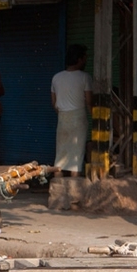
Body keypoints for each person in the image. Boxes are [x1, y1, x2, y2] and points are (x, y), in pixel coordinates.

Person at [51, 44, 93, 177]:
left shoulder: (56, 77)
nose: (85, 61)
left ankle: (58, 192)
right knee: (76, 159)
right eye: (85, 58)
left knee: (60, 159)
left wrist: (64, 114)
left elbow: (54, 103)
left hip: (63, 119)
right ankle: (73, 192)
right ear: (79, 59)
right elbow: (89, 102)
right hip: (78, 119)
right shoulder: (85, 77)